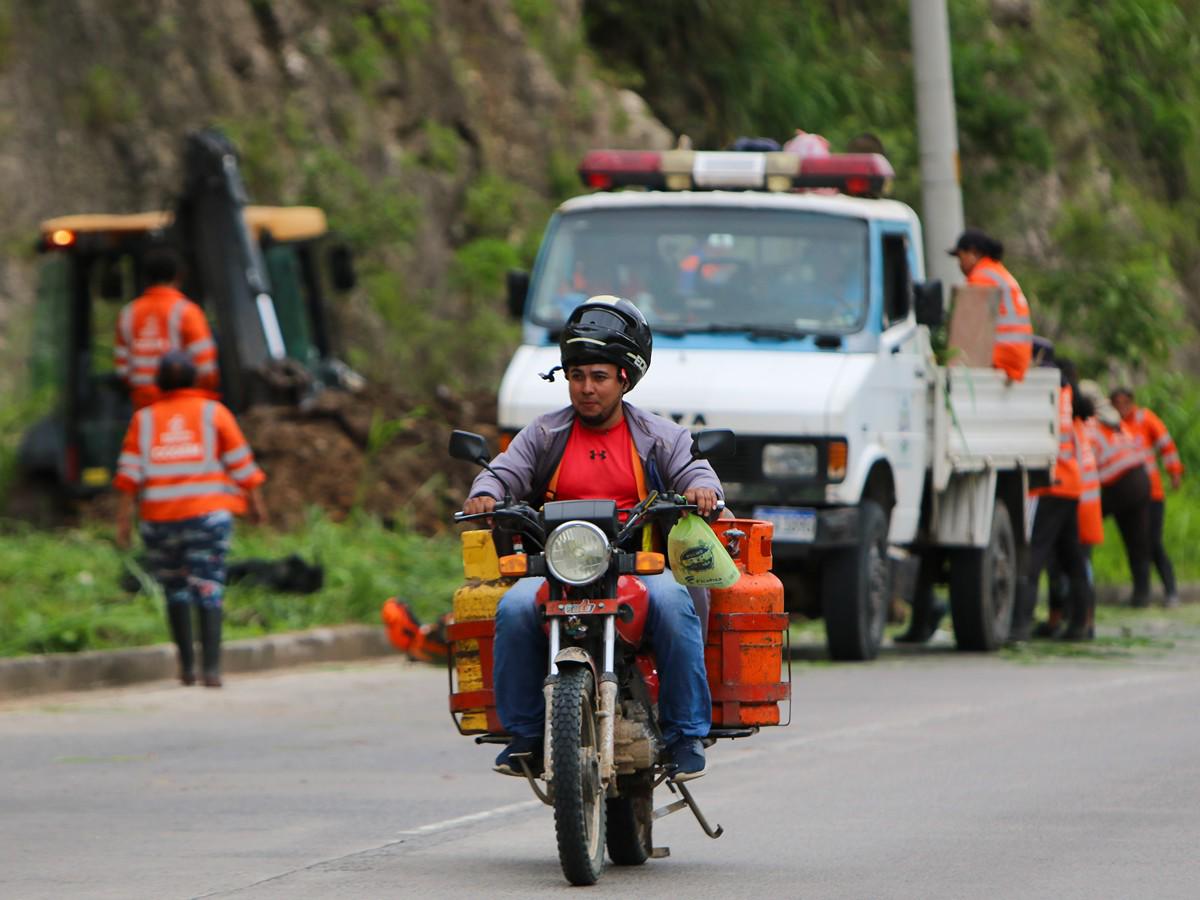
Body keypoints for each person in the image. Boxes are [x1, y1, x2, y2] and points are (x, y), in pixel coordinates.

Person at [462, 296, 721, 781]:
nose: (586, 388)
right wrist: (486, 494)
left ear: (625, 378)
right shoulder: (544, 434)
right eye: (576, 376)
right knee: (515, 608)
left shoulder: (657, 435)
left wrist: (701, 490)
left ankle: (686, 734)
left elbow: (693, 468)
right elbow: (502, 473)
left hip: (638, 568)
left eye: (599, 377)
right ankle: (524, 735)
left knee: (674, 602)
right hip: (559, 568)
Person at [113, 351, 267, 687]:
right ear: (195, 378)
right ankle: (211, 669)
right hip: (208, 518)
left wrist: (123, 523)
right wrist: (256, 505)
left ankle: (186, 668)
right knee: (209, 585)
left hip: (159, 520)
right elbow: (242, 463)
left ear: (159, 382)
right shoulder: (214, 413)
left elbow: (128, 478)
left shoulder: (145, 419)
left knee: (175, 588)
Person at [1010, 361, 1092, 643]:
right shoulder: (1070, 394)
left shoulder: (1043, 389)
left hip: (1050, 485)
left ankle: (1019, 625)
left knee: (1033, 555)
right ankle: (1081, 624)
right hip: (1071, 485)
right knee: (1073, 559)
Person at [114, 247, 219, 409]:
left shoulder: (128, 313)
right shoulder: (187, 312)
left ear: (146, 278)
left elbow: (122, 370)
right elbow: (207, 371)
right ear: (178, 276)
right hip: (184, 408)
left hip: (143, 405)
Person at [1078, 381, 1152, 607]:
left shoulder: (1089, 424)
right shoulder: (1113, 419)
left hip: (1117, 482)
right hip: (1139, 478)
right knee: (1137, 540)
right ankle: (1142, 594)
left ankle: (1080, 588)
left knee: (1081, 532)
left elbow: (1086, 462)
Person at [1111, 387, 1183, 607]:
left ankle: (1171, 590)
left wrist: (1174, 472)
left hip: (1151, 494)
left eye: (1125, 402)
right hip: (1126, 497)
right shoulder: (1112, 425)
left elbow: (1166, 446)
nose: (1121, 408)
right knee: (1134, 544)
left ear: (1132, 402)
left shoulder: (1144, 419)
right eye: (1117, 403)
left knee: (1152, 542)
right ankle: (1140, 593)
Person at [948, 228, 1033, 383]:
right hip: (1017, 359)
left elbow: (965, 329)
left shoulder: (980, 278)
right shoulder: (999, 272)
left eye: (960, 257)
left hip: (1002, 356)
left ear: (973, 252)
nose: (959, 265)